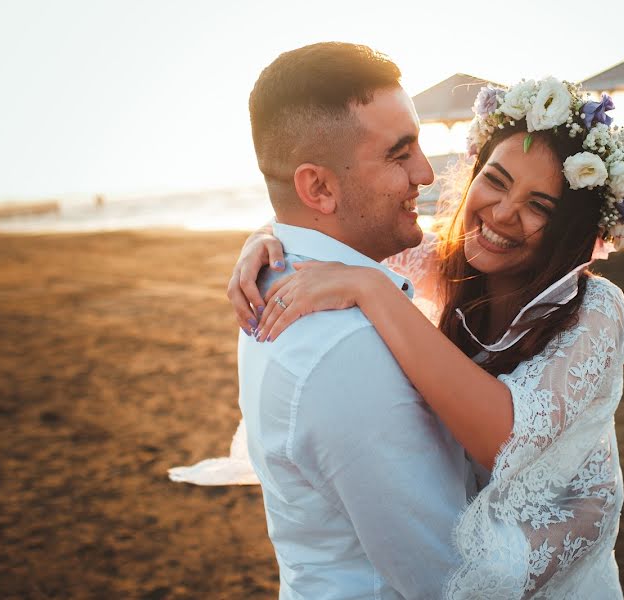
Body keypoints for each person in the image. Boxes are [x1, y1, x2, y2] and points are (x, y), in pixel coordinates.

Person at [225, 75, 624, 598]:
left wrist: (372, 291)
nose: (503, 212)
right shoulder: (444, 262)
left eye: (540, 206)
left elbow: (504, 439)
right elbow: (323, 220)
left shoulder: (595, 310)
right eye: (495, 179)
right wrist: (264, 241)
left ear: (573, 231)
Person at [173, 42, 478, 599]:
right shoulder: (348, 351)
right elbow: (447, 579)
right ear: (317, 188)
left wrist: (264, 233)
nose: (427, 173)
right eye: (399, 153)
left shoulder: (277, 271)